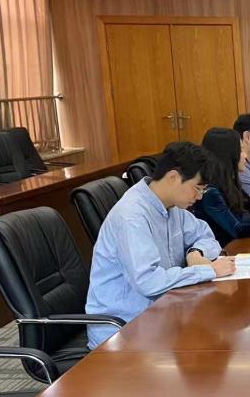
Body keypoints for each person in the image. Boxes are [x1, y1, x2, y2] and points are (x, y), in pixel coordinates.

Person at [85, 142, 235, 348]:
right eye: (197, 188)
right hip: (123, 332)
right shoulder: (132, 216)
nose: (200, 196)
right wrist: (208, 270)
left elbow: (207, 236)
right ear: (173, 177)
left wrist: (195, 252)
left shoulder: (173, 207)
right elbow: (148, 282)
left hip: (163, 315)